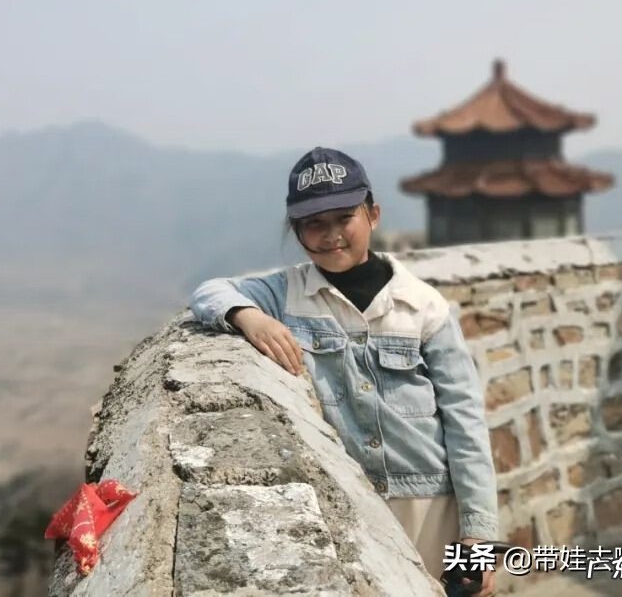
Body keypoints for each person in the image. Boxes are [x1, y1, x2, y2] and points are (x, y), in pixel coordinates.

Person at [189, 146, 499, 595]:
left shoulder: (424, 306)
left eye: (343, 217)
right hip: (347, 501)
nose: (331, 234)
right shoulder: (285, 295)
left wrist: (478, 537)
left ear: (372, 214)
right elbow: (209, 292)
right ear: (297, 232)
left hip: (431, 503)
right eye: (314, 223)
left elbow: (466, 422)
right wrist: (248, 316)